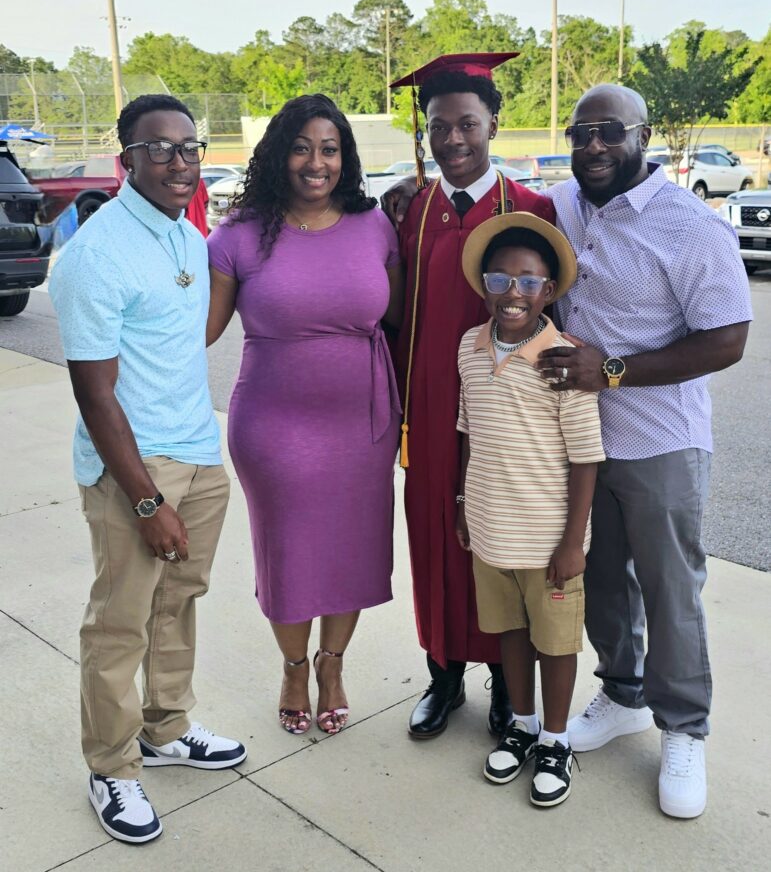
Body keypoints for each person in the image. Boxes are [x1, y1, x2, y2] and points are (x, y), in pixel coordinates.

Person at [535, 83, 752, 819]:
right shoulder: (563, 206)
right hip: (582, 439)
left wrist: (614, 370)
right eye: (580, 133)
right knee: (602, 578)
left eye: (610, 131)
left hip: (660, 438)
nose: (593, 145)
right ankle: (623, 694)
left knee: (668, 588)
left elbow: (727, 338)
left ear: (643, 137)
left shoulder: (690, 226)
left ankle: (683, 727)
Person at [49, 94, 246, 846]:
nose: (178, 161)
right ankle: (111, 766)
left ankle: (166, 727)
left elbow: (180, 343)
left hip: (198, 450)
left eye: (189, 147)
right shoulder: (95, 255)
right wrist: (143, 500)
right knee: (119, 621)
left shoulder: (187, 235)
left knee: (178, 600)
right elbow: (95, 395)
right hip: (133, 465)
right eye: (158, 148)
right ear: (125, 159)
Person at [206, 93, 403, 737]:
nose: (316, 163)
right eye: (300, 148)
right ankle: (294, 667)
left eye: (329, 149)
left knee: (351, 549)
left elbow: (401, 317)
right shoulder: (237, 234)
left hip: (363, 424)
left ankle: (332, 664)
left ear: (346, 158)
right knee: (289, 554)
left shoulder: (374, 226)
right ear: (276, 156)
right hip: (275, 426)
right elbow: (199, 331)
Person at [385, 53, 555, 739]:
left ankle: (505, 682)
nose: (452, 139)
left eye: (466, 124)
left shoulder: (534, 210)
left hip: (504, 409)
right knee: (434, 536)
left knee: (499, 537)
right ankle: (443, 674)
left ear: (493, 124)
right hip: (428, 409)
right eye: (437, 126)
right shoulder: (411, 210)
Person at [456, 212, 605, 806]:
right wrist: (465, 504)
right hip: (491, 528)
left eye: (527, 281)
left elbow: (586, 458)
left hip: (548, 540)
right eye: (499, 280)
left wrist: (573, 542)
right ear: (485, 287)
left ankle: (556, 738)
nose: (512, 292)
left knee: (556, 642)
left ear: (548, 291)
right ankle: (521, 724)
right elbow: (469, 430)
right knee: (510, 633)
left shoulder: (564, 360)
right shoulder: (470, 347)